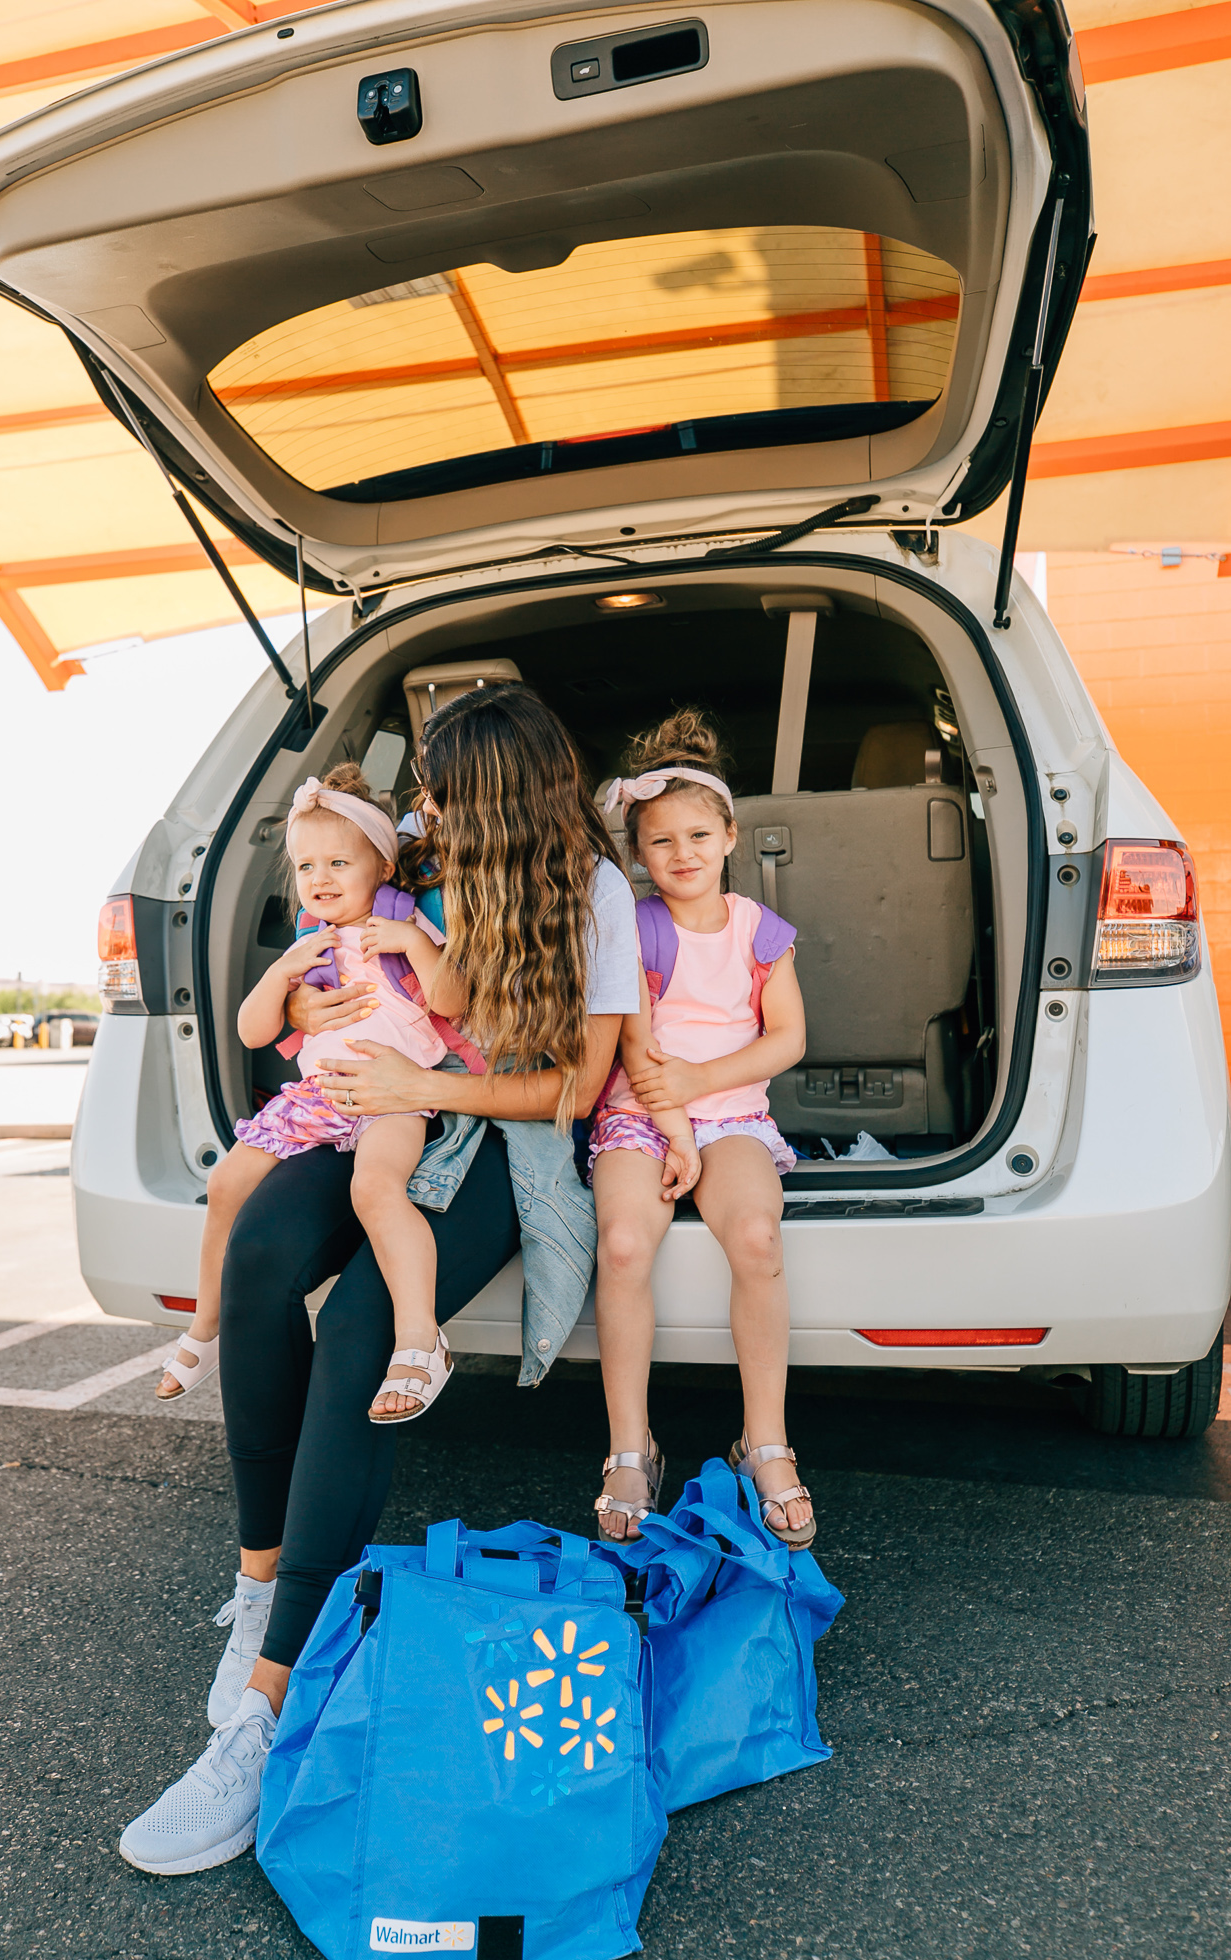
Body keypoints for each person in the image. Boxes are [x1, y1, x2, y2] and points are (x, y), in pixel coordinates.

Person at [119, 684, 641, 1875]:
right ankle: (260, 1578)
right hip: (371, 1103)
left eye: (441, 793)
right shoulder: (416, 869)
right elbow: (330, 964)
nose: (421, 811)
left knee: (362, 1320)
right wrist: (314, 1004)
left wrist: (427, 1091)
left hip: (492, 1130)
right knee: (254, 1251)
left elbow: (573, 1086)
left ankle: (267, 1700)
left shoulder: (594, 892)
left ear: (498, 800)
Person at [154, 763, 465, 1423]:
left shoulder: (405, 924)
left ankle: (420, 1335)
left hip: (392, 1094)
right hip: (315, 1100)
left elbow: (453, 1001)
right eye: (305, 867)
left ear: (381, 867)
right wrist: (281, 976)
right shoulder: (306, 942)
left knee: (374, 1188)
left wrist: (413, 943)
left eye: (337, 863)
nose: (318, 879)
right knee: (227, 1185)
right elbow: (249, 1030)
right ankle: (206, 1324)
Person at [589, 710, 816, 1552]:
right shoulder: (636, 926)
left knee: (757, 1237)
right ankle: (627, 1446)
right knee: (621, 1246)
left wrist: (703, 1089)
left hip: (731, 1114)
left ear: (728, 834)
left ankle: (763, 1441)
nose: (679, 854)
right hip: (641, 1114)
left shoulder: (760, 930)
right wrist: (675, 1128)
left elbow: (786, 1038)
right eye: (657, 842)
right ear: (637, 857)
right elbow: (639, 1049)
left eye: (696, 835)